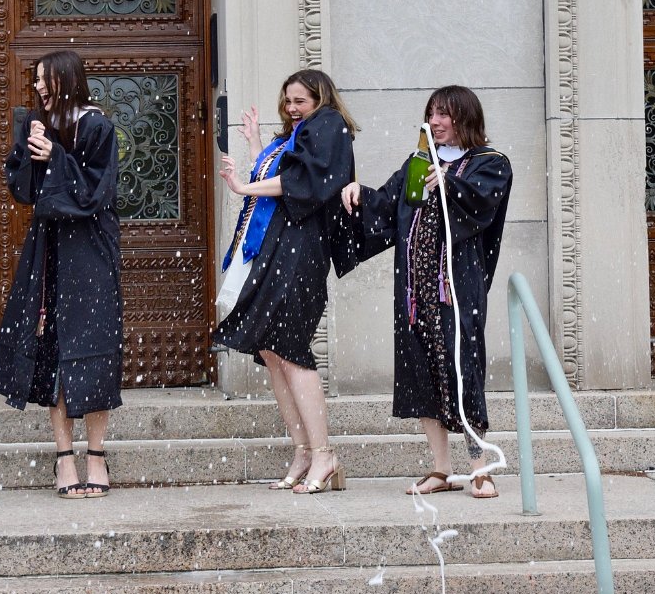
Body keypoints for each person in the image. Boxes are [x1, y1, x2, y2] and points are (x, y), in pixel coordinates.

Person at [341, 85, 512, 500]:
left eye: (443, 114)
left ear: (465, 118)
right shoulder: (418, 162)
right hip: (415, 292)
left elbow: (482, 206)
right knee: (421, 371)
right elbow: (386, 205)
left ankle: (480, 469)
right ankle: (441, 468)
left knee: (463, 369)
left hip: (455, 289)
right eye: (431, 113)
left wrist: (449, 184)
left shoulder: (490, 163)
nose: (434, 121)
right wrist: (359, 194)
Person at [0, 50, 123, 499]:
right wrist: (36, 157)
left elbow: (96, 193)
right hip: (50, 253)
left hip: (92, 251)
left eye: (45, 78)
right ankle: (64, 457)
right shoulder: (37, 124)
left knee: (96, 349)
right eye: (37, 79)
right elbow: (23, 188)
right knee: (54, 352)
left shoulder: (98, 126)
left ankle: (96, 455)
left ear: (66, 79)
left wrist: (58, 158)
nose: (39, 86)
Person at [215, 69, 358, 494]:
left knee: (290, 347)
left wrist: (242, 188)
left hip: (301, 249)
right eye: (288, 101)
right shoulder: (300, 133)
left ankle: (324, 453)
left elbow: (302, 183)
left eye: (300, 101)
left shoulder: (329, 125)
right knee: (271, 348)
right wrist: (257, 144)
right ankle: (303, 450)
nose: (292, 108)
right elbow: (283, 174)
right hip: (280, 248)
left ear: (321, 98)